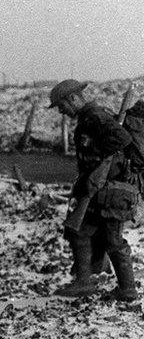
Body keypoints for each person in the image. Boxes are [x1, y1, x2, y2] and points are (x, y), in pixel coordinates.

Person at [48, 79, 138, 301]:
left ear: (74, 99)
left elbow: (122, 139)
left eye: (62, 106)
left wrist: (102, 161)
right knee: (79, 232)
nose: (62, 111)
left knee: (113, 241)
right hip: (98, 191)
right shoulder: (89, 118)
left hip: (111, 192)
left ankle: (127, 290)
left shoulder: (96, 117)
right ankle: (84, 282)